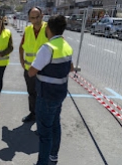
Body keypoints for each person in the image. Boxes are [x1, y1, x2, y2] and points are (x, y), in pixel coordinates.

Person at [28, 15, 74, 165]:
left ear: (48, 29)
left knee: (44, 133)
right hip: (60, 93)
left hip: (46, 95)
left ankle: (42, 163)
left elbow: (31, 72)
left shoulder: (48, 48)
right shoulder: (66, 45)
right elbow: (71, 68)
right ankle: (53, 157)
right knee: (55, 125)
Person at [19, 6, 48, 122]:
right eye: (32, 18)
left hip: (45, 70)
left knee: (44, 96)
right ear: (29, 18)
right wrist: (22, 61)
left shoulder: (49, 29)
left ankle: (43, 120)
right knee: (32, 93)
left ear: (42, 16)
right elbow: (21, 47)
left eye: (38, 17)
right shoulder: (27, 30)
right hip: (30, 69)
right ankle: (33, 114)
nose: (35, 20)